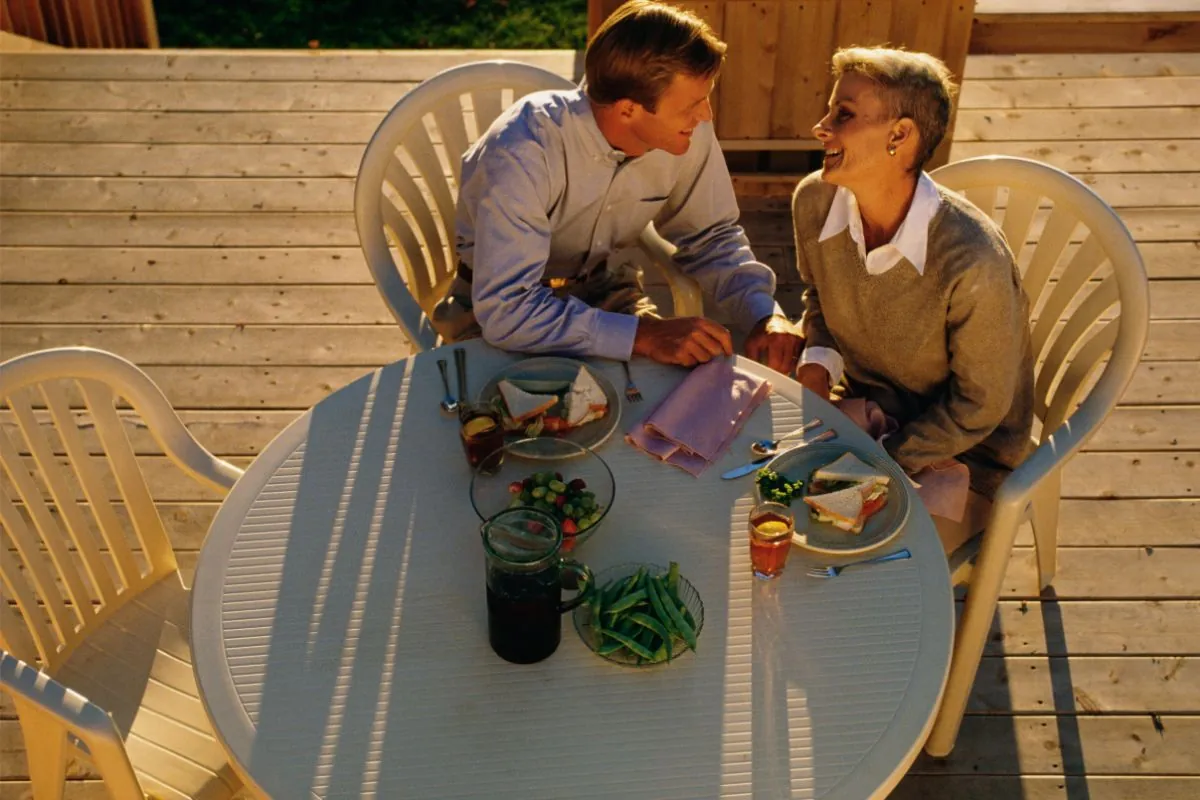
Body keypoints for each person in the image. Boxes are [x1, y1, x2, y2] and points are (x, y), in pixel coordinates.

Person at [431, 0, 802, 372]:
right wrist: (643, 335)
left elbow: (712, 234)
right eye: (692, 104)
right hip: (494, 311)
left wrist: (763, 313)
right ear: (627, 110)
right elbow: (507, 312)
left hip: (604, 292)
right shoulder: (522, 151)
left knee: (675, 410)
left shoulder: (686, 133)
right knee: (511, 422)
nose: (706, 115)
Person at [790, 46, 1035, 552]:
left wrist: (881, 458)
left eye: (844, 115)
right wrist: (817, 361)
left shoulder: (973, 262)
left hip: (965, 455)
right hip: (867, 408)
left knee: (860, 561)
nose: (821, 127)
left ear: (899, 136)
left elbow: (980, 405)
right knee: (766, 506)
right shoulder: (813, 201)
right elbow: (821, 298)